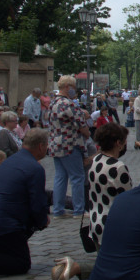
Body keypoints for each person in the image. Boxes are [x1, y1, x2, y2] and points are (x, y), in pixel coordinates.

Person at [51, 122, 133, 280]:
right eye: (124, 141)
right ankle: (74, 267)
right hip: (114, 223)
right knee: (121, 266)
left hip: (96, 221)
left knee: (111, 263)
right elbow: (128, 199)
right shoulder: (117, 167)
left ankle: (72, 268)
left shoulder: (95, 160)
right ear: (118, 143)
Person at [0, 129, 50, 278]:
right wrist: (42, 220)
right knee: (20, 262)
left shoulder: (11, 160)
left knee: (11, 250)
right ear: (41, 146)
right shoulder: (35, 168)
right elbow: (37, 202)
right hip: (3, 223)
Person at [48, 76, 90, 218]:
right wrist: (87, 133)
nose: (74, 90)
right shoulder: (68, 104)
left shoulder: (53, 102)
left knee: (60, 177)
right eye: (73, 87)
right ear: (67, 87)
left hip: (55, 144)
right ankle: (79, 210)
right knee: (77, 177)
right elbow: (81, 124)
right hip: (70, 144)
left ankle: (58, 210)